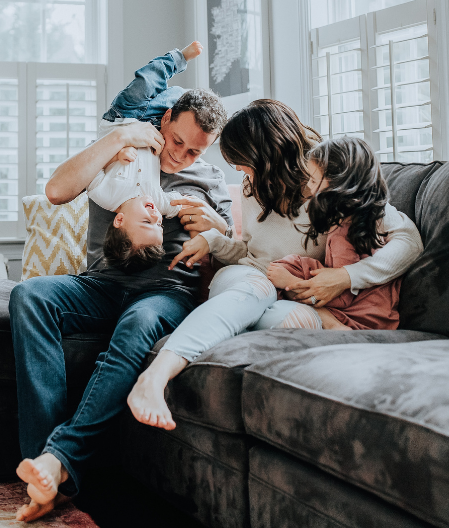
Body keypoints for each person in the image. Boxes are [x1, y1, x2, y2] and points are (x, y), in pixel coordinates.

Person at [9, 45, 233, 522]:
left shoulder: (210, 181)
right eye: (177, 141)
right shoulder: (126, 150)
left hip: (166, 293)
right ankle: (44, 466)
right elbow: (56, 191)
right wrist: (119, 138)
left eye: (195, 150)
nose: (181, 156)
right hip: (101, 284)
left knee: (138, 323)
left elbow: (235, 256)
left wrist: (216, 229)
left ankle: (58, 461)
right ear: (166, 119)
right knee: (29, 295)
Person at [127, 99, 423, 432]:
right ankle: (155, 376)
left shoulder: (327, 179)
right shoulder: (251, 186)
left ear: (266, 155)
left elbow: (409, 242)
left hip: (291, 298)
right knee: (256, 290)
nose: (239, 171)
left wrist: (345, 277)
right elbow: (249, 253)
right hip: (248, 279)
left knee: (286, 320)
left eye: (242, 162)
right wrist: (214, 241)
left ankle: (208, 338)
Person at [89, 42, 204, 272]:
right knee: (181, 98)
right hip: (153, 126)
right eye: (159, 224)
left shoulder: (105, 195)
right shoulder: (158, 202)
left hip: (123, 117)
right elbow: (181, 204)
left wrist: (114, 156)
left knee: (147, 80)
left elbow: (91, 164)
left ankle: (179, 58)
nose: (154, 215)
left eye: (146, 221)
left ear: (119, 220)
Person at [267, 136, 402, 331]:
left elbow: (341, 297)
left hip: (362, 317)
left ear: (339, 184)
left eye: (314, 180)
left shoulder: (343, 234)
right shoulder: (366, 218)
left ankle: (334, 327)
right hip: (379, 311)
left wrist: (291, 283)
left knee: (289, 269)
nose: (309, 188)